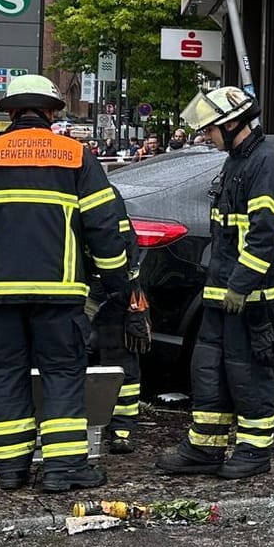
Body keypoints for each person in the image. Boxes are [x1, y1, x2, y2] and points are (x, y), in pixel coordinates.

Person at [0, 75, 129, 492]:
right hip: (59, 293)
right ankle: (63, 469)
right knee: (62, 373)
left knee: (6, 374)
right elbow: (103, 225)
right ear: (51, 112)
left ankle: (10, 469)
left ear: (9, 112)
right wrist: (118, 281)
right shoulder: (76, 155)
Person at [157, 86, 274, 481]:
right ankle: (206, 446)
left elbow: (264, 233)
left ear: (232, 123)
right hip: (223, 294)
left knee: (248, 371)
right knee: (209, 369)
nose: (206, 136)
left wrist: (241, 285)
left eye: (210, 130)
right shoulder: (237, 160)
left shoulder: (265, 163)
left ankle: (255, 449)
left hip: (255, 296)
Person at [88, 188, 151, 454]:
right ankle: (97, 424)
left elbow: (122, 243)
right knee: (79, 359)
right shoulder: (103, 191)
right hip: (99, 289)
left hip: (111, 291)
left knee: (120, 361)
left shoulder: (99, 194)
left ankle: (121, 429)